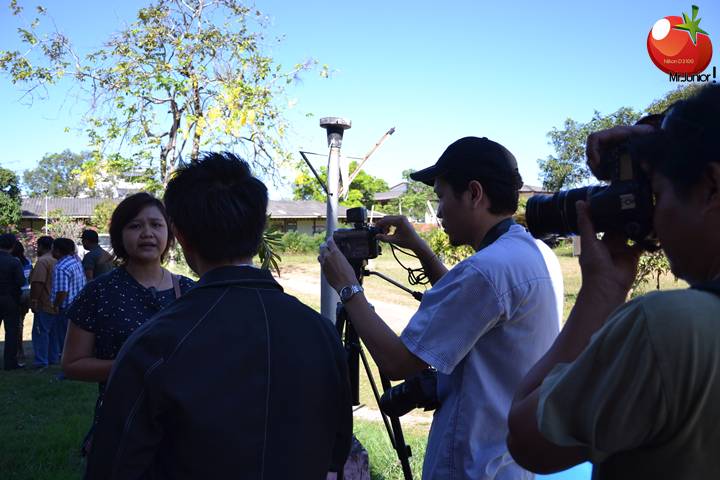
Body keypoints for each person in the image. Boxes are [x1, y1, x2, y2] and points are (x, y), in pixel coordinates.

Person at [86, 153, 352, 480]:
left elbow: (113, 466)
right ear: (259, 229)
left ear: (179, 235)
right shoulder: (322, 333)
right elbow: (336, 452)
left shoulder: (154, 343)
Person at [507, 85, 720, 479]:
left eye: (658, 195)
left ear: (711, 187)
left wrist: (601, 292)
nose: (656, 219)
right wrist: (663, 133)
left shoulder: (672, 329)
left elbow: (524, 435)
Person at [319, 136, 562, 479]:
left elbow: (397, 362)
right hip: (508, 461)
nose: (440, 210)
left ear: (474, 193)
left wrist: (348, 288)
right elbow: (472, 307)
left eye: (442, 197)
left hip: (471, 466)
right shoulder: (533, 254)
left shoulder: (487, 270)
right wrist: (421, 249)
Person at [62, 192, 194, 455]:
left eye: (156, 225)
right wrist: (135, 367)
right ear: (119, 236)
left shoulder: (191, 292)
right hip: (121, 425)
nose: (147, 233)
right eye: (135, 226)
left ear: (169, 234)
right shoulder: (98, 292)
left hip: (183, 428)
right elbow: (72, 365)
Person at [50, 237, 86, 357]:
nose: (51, 251)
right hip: (79, 302)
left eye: (52, 248)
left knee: (64, 337)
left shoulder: (61, 267)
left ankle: (67, 361)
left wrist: (56, 305)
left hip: (66, 307)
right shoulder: (76, 261)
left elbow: (62, 291)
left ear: (58, 251)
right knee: (75, 336)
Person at [30, 235, 58, 369]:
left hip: (45, 302)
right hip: (56, 302)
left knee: (41, 333)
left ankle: (41, 361)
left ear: (41, 246)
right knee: (53, 334)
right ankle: (53, 358)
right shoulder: (57, 260)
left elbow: (38, 283)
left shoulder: (42, 261)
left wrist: (34, 300)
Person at [0, 233, 26, 370]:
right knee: (11, 331)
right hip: (10, 299)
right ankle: (10, 362)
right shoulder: (14, 262)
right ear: (13, 246)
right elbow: (21, 281)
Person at [11, 240, 32, 361]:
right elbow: (29, 278)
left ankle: (16, 351)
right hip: (26, 293)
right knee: (20, 323)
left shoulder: (12, 262)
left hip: (15, 294)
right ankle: (20, 350)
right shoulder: (28, 261)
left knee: (13, 324)